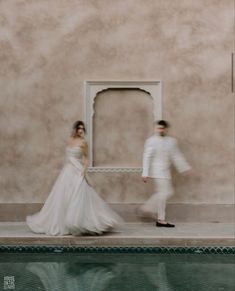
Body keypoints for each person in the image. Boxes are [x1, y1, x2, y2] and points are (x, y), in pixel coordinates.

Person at [26, 120, 122, 235]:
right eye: (79, 128)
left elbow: (86, 158)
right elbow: (67, 156)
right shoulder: (70, 140)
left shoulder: (83, 142)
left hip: (78, 170)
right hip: (68, 171)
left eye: (82, 129)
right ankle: (63, 223)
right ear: (75, 129)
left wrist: (84, 169)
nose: (81, 130)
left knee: (78, 194)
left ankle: (78, 223)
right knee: (62, 195)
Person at [140, 120, 191, 227]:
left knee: (166, 193)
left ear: (166, 129)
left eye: (162, 128)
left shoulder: (171, 141)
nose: (160, 130)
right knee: (164, 193)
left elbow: (176, 156)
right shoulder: (151, 141)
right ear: (156, 128)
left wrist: (184, 168)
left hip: (166, 171)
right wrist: (145, 173)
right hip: (157, 171)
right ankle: (150, 210)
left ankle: (157, 216)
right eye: (158, 128)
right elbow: (147, 157)